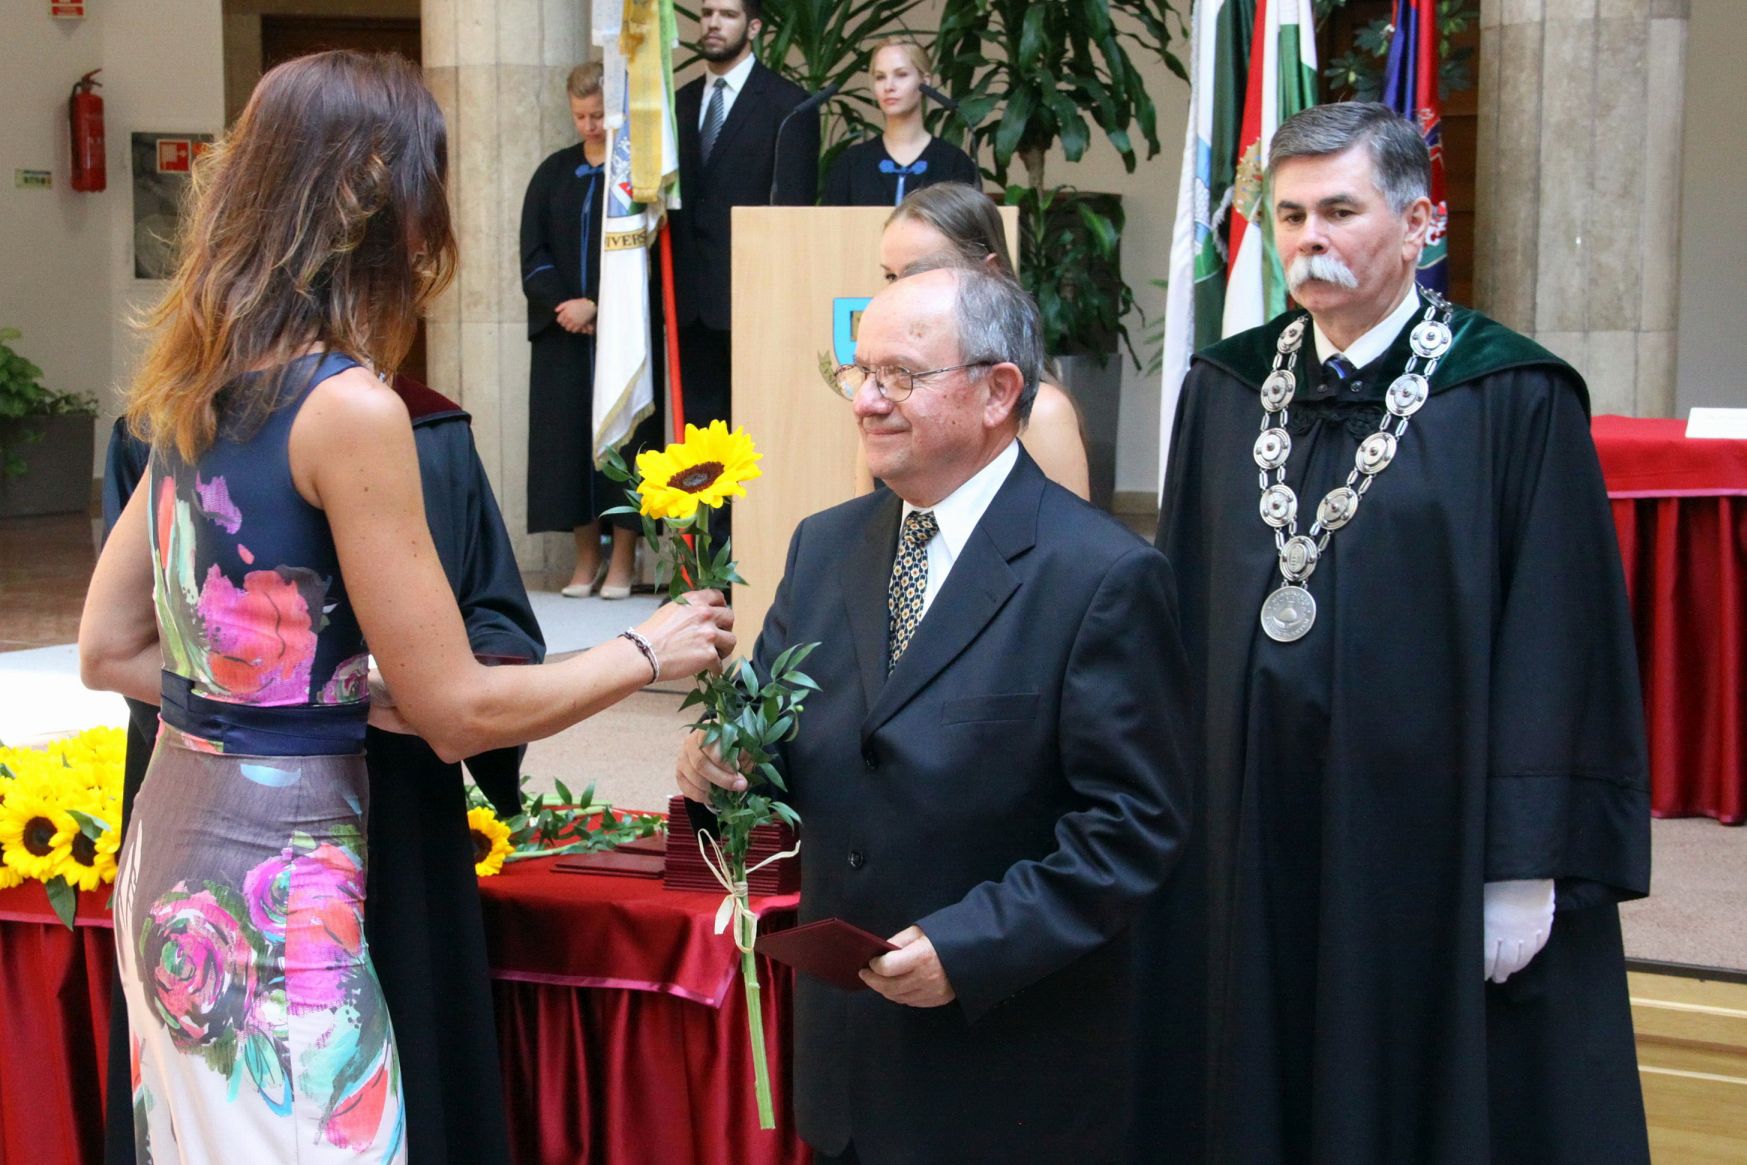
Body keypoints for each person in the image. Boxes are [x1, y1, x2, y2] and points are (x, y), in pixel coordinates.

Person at [78, 51, 733, 1163]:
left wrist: (301, 698)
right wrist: (645, 647)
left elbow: (108, 648)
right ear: (377, 204)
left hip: (174, 861)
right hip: (282, 888)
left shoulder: (196, 379)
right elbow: (455, 711)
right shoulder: (347, 407)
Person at [1146, 101, 1650, 1164]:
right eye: (1289, 216)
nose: (1307, 240)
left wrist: (1524, 862)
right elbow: (1177, 621)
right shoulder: (1224, 389)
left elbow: (1557, 640)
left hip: (1431, 840)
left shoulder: (1509, 394)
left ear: (1420, 223)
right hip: (1252, 829)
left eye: (1339, 211)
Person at [677, 263, 1191, 1163]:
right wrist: (720, 764)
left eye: (900, 375)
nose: (866, 400)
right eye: (859, 372)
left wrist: (969, 945)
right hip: (847, 1058)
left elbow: (1132, 826)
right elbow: (776, 743)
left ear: (998, 391)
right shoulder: (825, 544)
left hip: (1004, 1064)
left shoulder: (1099, 575)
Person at [97, 375, 543, 1165]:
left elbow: (493, 615)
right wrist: (642, 654)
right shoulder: (330, 417)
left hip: (312, 818)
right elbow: (454, 708)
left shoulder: (424, 429)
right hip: (289, 848)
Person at [858, 182, 1089, 500]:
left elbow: (1068, 530)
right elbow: (866, 521)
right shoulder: (881, 402)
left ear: (988, 272)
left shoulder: (1042, 414)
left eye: (921, 273)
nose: (899, 292)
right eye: (890, 277)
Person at [520, 61, 647, 598]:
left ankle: (624, 559)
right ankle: (586, 558)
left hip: (620, 335)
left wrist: (599, 306)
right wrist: (567, 306)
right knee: (568, 445)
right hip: (564, 336)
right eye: (580, 116)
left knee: (625, 441)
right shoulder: (553, 172)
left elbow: (644, 255)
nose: (590, 126)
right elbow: (534, 253)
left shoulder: (635, 178)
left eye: (598, 115)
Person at [670, 0, 820, 427]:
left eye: (728, 15)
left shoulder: (789, 105)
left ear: (753, 27)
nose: (713, 23)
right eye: (707, 13)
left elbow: (793, 212)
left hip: (755, 297)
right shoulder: (678, 103)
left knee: (758, 428)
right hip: (689, 302)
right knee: (698, 439)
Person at [820, 40, 978, 208]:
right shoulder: (851, 163)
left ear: (925, 82)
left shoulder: (953, 162)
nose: (889, 86)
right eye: (880, 77)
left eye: (901, 75)